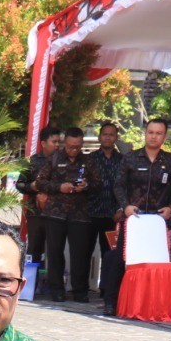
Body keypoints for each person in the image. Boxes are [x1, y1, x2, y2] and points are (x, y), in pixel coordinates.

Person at [102, 118, 171, 316]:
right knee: (121, 259)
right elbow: (118, 185)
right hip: (133, 219)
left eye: (158, 133)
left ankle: (152, 304)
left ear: (164, 136)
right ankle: (110, 302)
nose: (154, 136)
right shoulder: (130, 158)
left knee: (156, 263)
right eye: (151, 132)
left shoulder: (170, 161)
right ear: (146, 133)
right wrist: (125, 206)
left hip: (157, 221)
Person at [34, 127, 100, 303]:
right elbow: (40, 182)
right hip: (55, 213)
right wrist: (59, 187)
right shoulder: (54, 158)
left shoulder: (88, 161)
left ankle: (80, 291)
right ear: (65, 143)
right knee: (55, 252)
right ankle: (57, 289)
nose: (74, 149)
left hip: (80, 214)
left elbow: (98, 185)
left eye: (77, 146)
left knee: (80, 254)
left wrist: (86, 186)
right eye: (71, 146)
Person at [85, 122, 127, 297]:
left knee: (109, 254)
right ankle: (82, 289)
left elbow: (125, 186)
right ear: (99, 137)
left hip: (113, 214)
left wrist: (121, 209)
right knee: (84, 251)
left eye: (111, 134)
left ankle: (106, 290)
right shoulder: (89, 159)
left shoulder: (123, 160)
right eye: (105, 134)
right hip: (90, 212)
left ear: (116, 137)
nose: (108, 137)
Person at [18, 127, 61, 281]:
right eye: (53, 141)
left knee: (55, 249)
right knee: (35, 247)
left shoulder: (64, 161)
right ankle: (32, 282)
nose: (57, 145)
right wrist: (33, 188)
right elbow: (20, 185)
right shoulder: (32, 161)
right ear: (43, 143)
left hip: (57, 213)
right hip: (36, 213)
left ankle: (51, 282)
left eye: (58, 142)